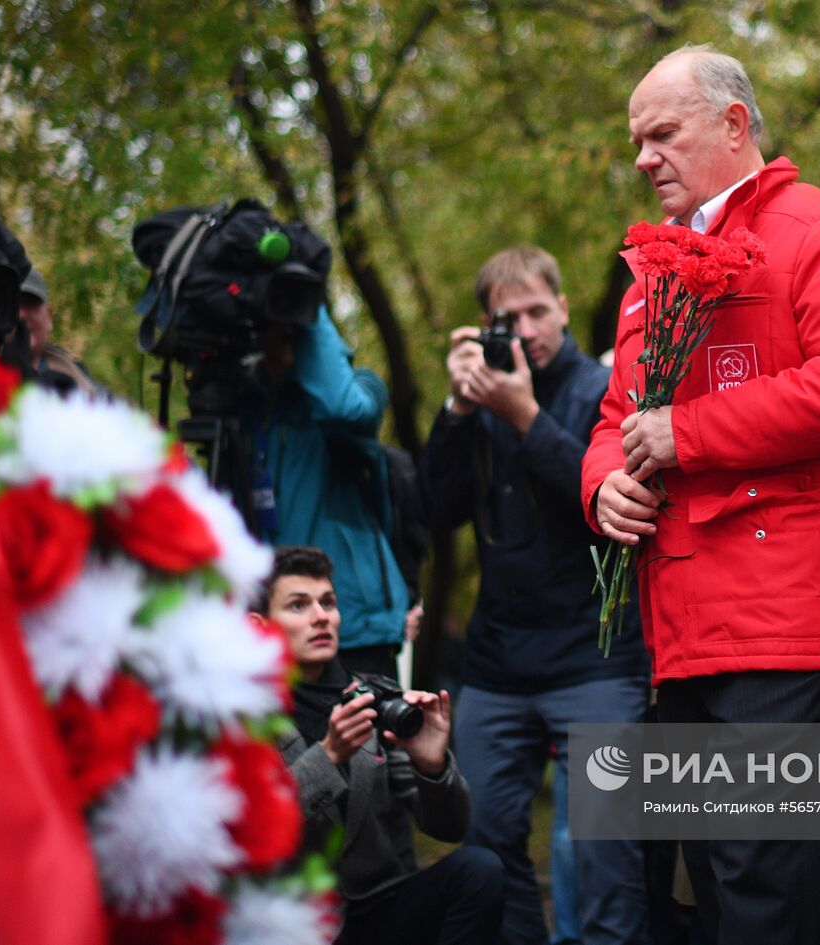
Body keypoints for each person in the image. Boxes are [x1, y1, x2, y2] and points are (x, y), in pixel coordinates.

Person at [580, 45, 820, 945]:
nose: (643, 158)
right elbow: (617, 417)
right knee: (716, 894)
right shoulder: (653, 272)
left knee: (762, 892)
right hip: (687, 633)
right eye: (637, 140)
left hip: (790, 628)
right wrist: (603, 486)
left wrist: (688, 434)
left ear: (734, 124)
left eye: (662, 134)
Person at [420, 246, 652, 945]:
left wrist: (524, 416)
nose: (524, 329)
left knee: (608, 851)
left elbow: (605, 505)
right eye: (507, 318)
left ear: (563, 308)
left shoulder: (604, 388)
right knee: (485, 835)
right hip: (499, 662)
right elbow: (435, 509)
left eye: (536, 312)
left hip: (597, 657)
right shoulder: (482, 400)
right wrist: (458, 409)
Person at [254, 546, 504, 945]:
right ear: (259, 625)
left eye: (328, 602)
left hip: (376, 909)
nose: (321, 616)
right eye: (298, 605)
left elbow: (449, 828)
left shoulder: (372, 696)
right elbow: (255, 832)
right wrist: (328, 758)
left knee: (480, 871)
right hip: (290, 921)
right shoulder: (243, 715)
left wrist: (432, 767)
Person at [241, 309, 410, 679]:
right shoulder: (248, 402)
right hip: (271, 625)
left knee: (363, 720)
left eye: (295, 334)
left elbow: (345, 409)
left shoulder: (360, 386)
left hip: (352, 624)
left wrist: (308, 306)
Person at [17, 266, 106, 396]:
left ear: (49, 316)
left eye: (31, 303)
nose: (22, 314)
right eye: (13, 305)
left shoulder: (89, 391)